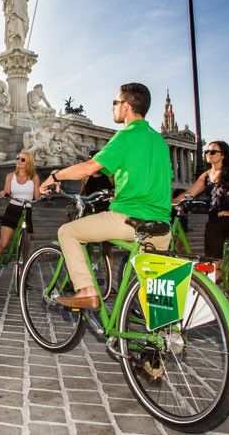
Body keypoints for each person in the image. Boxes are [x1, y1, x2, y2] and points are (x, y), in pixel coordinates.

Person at [40, 83, 173, 310]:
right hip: (162, 226)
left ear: (127, 106)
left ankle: (86, 290)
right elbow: (156, 178)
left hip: (129, 219)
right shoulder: (159, 141)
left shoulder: (126, 136)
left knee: (68, 232)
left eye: (115, 102)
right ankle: (163, 337)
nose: (112, 107)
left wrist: (55, 176)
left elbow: (88, 168)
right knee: (155, 298)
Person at [173, 141, 229, 265]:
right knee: (212, 228)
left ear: (223, 155)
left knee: (213, 228)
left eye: (212, 152)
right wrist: (171, 203)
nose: (208, 154)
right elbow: (189, 193)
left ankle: (215, 270)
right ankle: (216, 269)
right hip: (216, 220)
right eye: (206, 151)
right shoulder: (206, 176)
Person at [0, 149, 40, 272]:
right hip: (12, 209)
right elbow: (6, 191)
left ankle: (24, 274)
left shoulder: (34, 177)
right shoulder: (10, 176)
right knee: (3, 243)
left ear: (28, 162)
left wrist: (45, 194)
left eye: (22, 159)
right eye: (17, 158)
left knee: (26, 246)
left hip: (26, 210)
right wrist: (3, 193)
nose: (18, 160)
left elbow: (37, 194)